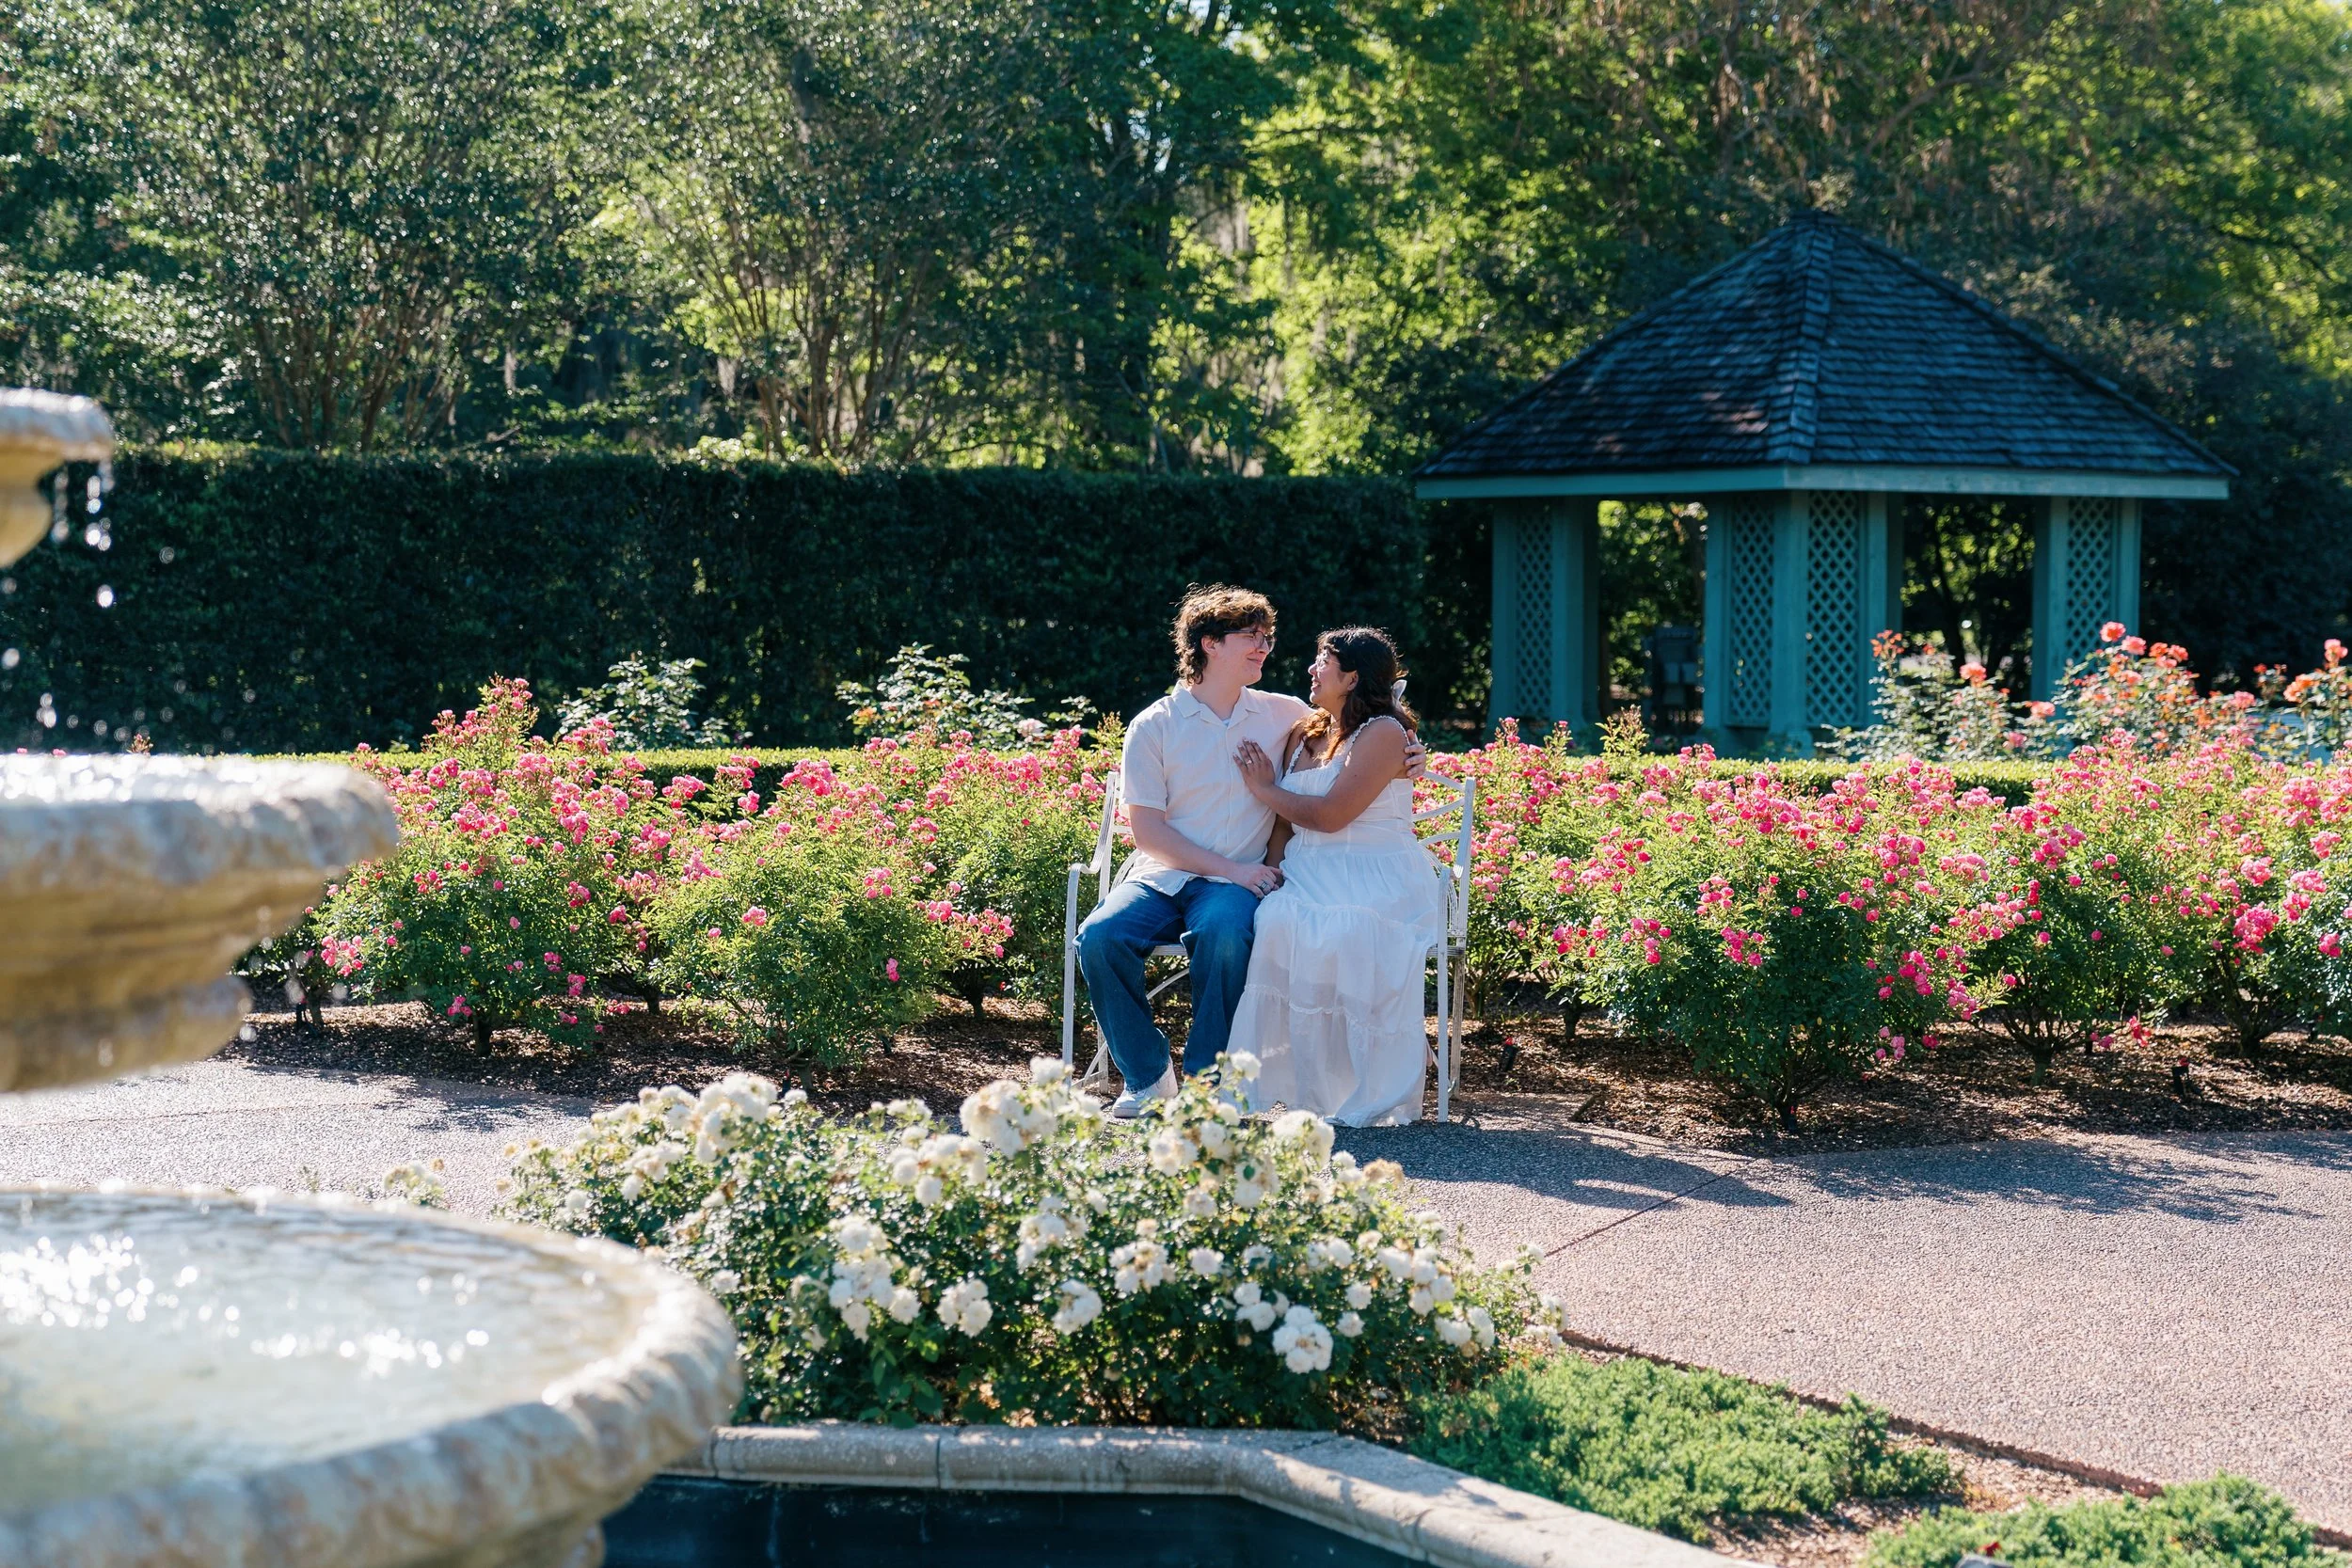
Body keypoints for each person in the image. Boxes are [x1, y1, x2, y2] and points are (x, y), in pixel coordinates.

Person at [1076, 587, 1422, 1119]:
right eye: (1252, 638)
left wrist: (1410, 752)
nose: (1265, 648)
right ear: (1210, 644)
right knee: (1099, 937)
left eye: (1268, 637)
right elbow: (1148, 833)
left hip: (1233, 887)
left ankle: (1204, 1086)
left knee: (1225, 937)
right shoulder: (1153, 725)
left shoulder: (1283, 713)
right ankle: (1147, 1076)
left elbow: (1361, 716)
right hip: (1164, 875)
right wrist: (1234, 869)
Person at [1225, 627, 1445, 1126]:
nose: (1310, 670)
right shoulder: (1306, 732)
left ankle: (1364, 1083)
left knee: (1346, 930)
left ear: (1349, 677)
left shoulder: (1385, 733)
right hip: (1309, 867)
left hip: (1377, 869)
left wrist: (1262, 787)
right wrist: (1274, 872)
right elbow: (1286, 823)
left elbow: (1329, 816)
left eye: (1321, 662)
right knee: (1277, 920)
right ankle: (1299, 1086)